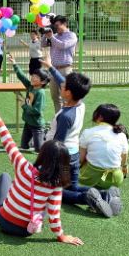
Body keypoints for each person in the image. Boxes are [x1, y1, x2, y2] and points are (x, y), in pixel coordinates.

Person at [0, 99, 84, 246]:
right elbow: (54, 215)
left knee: (5, 177)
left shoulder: (23, 166)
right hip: (27, 230)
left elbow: (8, 141)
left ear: (42, 155)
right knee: (43, 203)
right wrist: (61, 236)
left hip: (4, 221)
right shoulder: (56, 185)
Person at [42, 56, 118, 217]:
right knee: (72, 187)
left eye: (63, 86)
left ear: (68, 92)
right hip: (74, 155)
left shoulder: (65, 116)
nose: (61, 85)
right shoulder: (80, 102)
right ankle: (105, 195)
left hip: (63, 158)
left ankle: (87, 198)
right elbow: (65, 81)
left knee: (54, 192)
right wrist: (50, 67)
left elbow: (58, 143)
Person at [79, 104, 129, 192]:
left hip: (91, 177)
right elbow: (124, 161)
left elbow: (80, 160)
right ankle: (106, 194)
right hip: (115, 179)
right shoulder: (122, 135)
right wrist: (124, 168)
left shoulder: (88, 132)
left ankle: (95, 194)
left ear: (100, 117)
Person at [8, 54, 50, 152]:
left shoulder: (40, 93)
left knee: (39, 149)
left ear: (43, 82)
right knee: (24, 146)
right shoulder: (31, 87)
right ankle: (34, 139)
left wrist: (23, 104)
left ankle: (45, 133)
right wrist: (14, 64)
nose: (32, 77)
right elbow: (22, 76)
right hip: (28, 123)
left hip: (37, 125)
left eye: (36, 77)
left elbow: (37, 111)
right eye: (33, 75)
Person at [41, 15, 78, 112]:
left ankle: (68, 117)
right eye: (54, 26)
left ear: (65, 24)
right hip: (53, 69)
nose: (56, 28)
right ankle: (58, 117)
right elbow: (43, 44)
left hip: (65, 69)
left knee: (66, 96)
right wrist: (45, 34)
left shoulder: (71, 35)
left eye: (57, 25)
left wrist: (51, 37)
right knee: (55, 97)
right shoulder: (55, 36)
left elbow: (63, 45)